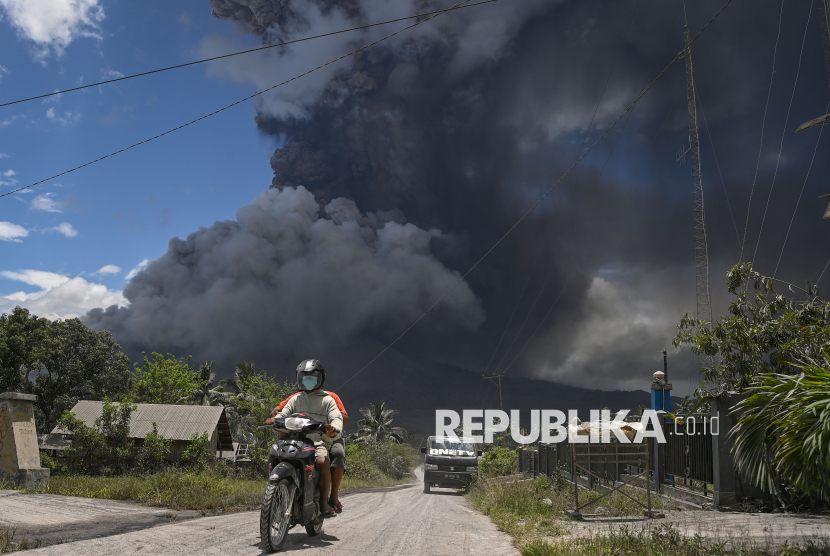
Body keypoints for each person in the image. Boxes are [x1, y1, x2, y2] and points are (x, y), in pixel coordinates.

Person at [265, 359, 342, 518]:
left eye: (312, 376)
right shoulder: (296, 399)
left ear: (320, 378)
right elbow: (283, 413)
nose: (308, 380)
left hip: (316, 442)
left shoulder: (328, 400)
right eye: (305, 376)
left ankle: (322, 502)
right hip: (293, 439)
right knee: (275, 454)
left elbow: (336, 418)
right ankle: (275, 492)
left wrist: (333, 428)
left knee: (322, 462)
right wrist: (274, 420)